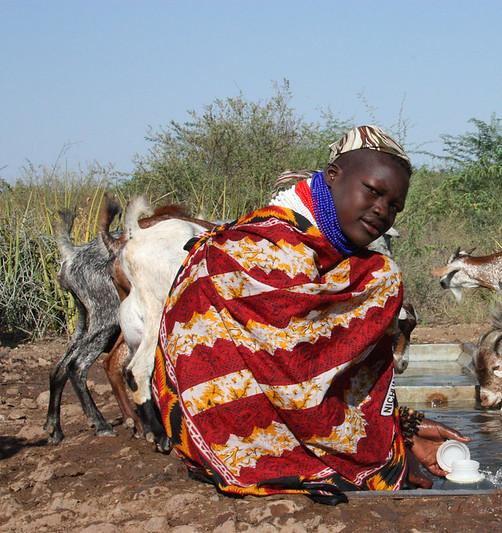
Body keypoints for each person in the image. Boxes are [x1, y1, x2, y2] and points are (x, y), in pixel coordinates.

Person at [152, 125, 470, 504]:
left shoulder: (328, 259)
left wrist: (400, 426)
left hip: (274, 419)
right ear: (333, 176)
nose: (383, 211)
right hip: (226, 437)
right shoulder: (258, 253)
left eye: (395, 206)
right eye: (373, 191)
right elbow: (293, 380)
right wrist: (385, 453)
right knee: (382, 278)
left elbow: (312, 376)